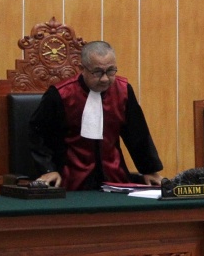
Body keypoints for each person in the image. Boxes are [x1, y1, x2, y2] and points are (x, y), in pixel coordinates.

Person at [29, 41, 163, 191]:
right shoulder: (61, 94)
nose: (105, 79)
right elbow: (38, 134)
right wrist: (48, 169)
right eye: (98, 72)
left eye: (111, 71)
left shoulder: (123, 91)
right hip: (71, 181)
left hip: (115, 178)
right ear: (82, 69)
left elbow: (137, 134)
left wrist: (149, 169)